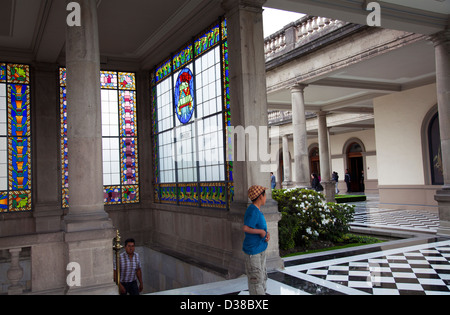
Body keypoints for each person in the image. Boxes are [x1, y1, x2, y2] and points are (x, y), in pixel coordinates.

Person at [242, 185, 270, 295]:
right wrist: (261, 232)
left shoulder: (257, 210)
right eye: (265, 195)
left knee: (262, 277)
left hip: (260, 248)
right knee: (256, 280)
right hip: (253, 252)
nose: (266, 198)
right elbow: (246, 228)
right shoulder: (253, 210)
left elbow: (259, 226)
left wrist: (266, 233)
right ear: (260, 197)